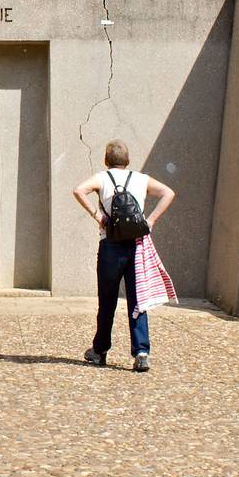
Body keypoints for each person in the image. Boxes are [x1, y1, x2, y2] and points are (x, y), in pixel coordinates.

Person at [71, 138, 175, 372]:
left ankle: (99, 351)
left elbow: (78, 190)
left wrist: (97, 215)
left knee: (107, 301)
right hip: (137, 245)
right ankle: (141, 353)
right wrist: (151, 221)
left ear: (106, 160)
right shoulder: (141, 179)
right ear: (128, 161)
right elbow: (168, 193)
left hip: (110, 245)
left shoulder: (101, 177)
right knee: (138, 301)